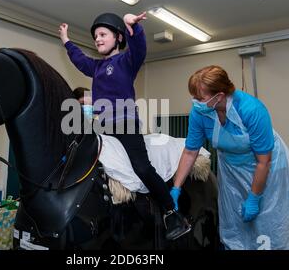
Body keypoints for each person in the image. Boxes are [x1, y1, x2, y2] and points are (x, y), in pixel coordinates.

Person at [59, 12, 191, 240]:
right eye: (95, 36)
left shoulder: (126, 61)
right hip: (104, 127)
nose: (98, 39)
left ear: (118, 38)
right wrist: (66, 41)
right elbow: (79, 60)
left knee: (142, 168)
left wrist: (133, 28)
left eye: (103, 34)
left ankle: (171, 212)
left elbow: (139, 47)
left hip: (127, 125)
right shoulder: (96, 67)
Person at [170, 65, 289, 249]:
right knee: (235, 222)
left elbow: (264, 161)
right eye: (194, 97)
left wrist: (254, 197)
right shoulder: (200, 112)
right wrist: (176, 187)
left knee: (270, 223)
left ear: (219, 95)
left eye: (200, 98)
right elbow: (190, 151)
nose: (195, 102)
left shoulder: (251, 109)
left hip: (266, 169)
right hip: (231, 171)